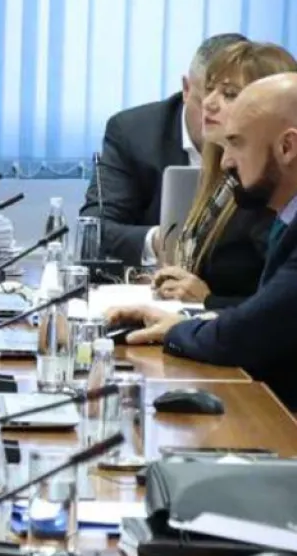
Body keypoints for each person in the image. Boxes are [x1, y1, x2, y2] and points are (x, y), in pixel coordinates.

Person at [107, 73, 297, 408]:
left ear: (287, 147)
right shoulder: (287, 219)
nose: (225, 161)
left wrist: (176, 332)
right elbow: (266, 313)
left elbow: (249, 335)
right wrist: (188, 322)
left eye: (237, 143)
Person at [150, 42, 297, 306]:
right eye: (209, 89)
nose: (208, 103)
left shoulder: (265, 190)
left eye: (230, 94)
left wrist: (209, 300)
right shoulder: (223, 182)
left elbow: (277, 309)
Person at [81, 33, 247, 265]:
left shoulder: (264, 142)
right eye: (207, 95)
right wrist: (160, 241)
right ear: (186, 89)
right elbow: (95, 229)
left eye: (231, 97)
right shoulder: (133, 133)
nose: (214, 108)